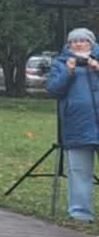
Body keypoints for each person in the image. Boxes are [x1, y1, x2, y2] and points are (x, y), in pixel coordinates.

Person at [48, 27, 99, 223]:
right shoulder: (61, 63)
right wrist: (68, 72)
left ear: (91, 44)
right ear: (69, 45)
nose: (78, 44)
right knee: (79, 172)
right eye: (74, 41)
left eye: (83, 41)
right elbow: (53, 90)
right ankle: (80, 214)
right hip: (77, 126)